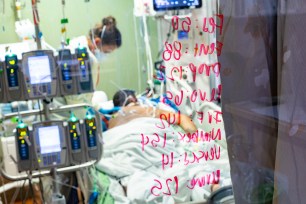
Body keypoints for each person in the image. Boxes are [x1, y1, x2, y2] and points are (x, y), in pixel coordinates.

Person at [53, 16, 122, 117]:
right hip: (64, 113)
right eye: (106, 52)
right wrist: (88, 118)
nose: (105, 55)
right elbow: (76, 99)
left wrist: (98, 109)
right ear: (97, 42)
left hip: (69, 108)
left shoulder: (80, 45)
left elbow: (85, 95)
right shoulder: (85, 57)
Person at [108, 89, 198, 134]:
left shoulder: (111, 120)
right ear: (132, 99)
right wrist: (196, 138)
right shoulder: (144, 110)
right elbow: (181, 118)